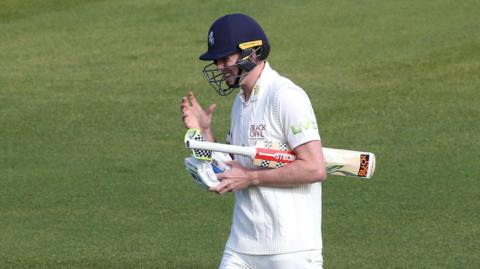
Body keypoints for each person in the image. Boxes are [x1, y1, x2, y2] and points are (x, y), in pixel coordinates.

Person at [181, 13, 327, 269]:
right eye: (216, 60)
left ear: (252, 54)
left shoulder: (286, 96)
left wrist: (252, 177)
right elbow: (232, 171)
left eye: (225, 58)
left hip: (291, 250)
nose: (218, 67)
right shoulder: (241, 103)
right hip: (242, 246)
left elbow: (314, 167)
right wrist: (205, 132)